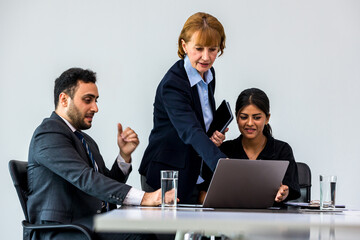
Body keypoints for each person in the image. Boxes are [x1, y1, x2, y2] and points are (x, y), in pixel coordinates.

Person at [27, 68, 164, 240]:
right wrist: (144, 197)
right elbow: (86, 178)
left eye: (96, 100)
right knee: (139, 236)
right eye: (87, 100)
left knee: (146, 231)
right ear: (64, 99)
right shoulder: (48, 134)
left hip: (89, 224)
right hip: (63, 230)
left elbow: (104, 184)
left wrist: (124, 156)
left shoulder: (86, 140)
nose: (95, 108)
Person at [138, 12, 228, 204]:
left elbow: (198, 123)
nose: (206, 57)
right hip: (167, 175)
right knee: (168, 234)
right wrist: (224, 167)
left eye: (213, 49)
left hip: (193, 172)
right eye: (199, 48)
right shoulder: (173, 84)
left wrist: (212, 136)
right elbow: (190, 131)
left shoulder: (208, 73)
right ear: (183, 45)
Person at [200, 88, 301, 203]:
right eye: (243, 117)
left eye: (257, 118)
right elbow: (202, 194)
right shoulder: (223, 151)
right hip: (231, 217)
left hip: (271, 217)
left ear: (267, 118)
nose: (249, 123)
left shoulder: (282, 150)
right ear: (237, 118)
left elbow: (290, 189)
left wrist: (284, 193)